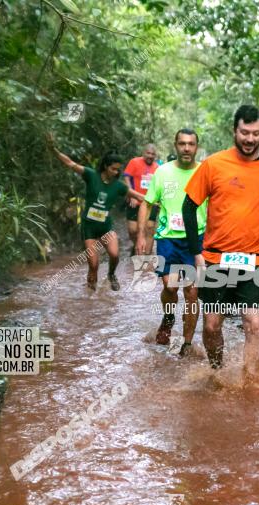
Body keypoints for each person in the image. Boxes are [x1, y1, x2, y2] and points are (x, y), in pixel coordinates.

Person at [182, 105, 259, 382]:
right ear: (234, 131)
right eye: (244, 133)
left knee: (255, 323)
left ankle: (252, 383)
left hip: (256, 259)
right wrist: (195, 253)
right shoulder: (214, 164)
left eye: (256, 133)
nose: (250, 139)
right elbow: (188, 207)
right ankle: (216, 372)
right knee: (212, 325)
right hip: (215, 258)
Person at [136, 129, 208, 354]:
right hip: (167, 238)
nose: (186, 148)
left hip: (196, 239)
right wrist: (141, 234)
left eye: (191, 144)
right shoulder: (162, 172)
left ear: (197, 147)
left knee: (192, 293)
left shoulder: (205, 172)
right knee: (170, 285)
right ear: (175, 145)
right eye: (182, 144)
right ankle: (168, 317)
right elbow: (147, 203)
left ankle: (186, 344)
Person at [47, 133, 145, 290]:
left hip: (106, 227)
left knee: (114, 255)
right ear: (106, 166)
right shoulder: (91, 175)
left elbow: (139, 196)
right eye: (113, 169)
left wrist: (159, 201)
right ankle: (90, 296)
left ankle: (111, 274)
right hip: (89, 227)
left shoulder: (119, 186)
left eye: (118, 170)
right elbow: (71, 164)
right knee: (93, 265)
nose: (116, 172)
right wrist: (53, 149)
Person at [123, 144, 159, 255]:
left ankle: (146, 255)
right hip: (135, 201)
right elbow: (126, 177)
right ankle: (137, 245)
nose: (150, 156)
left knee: (149, 227)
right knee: (133, 230)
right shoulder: (134, 162)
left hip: (150, 202)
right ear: (143, 153)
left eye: (153, 154)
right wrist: (131, 194)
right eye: (148, 153)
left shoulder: (157, 168)